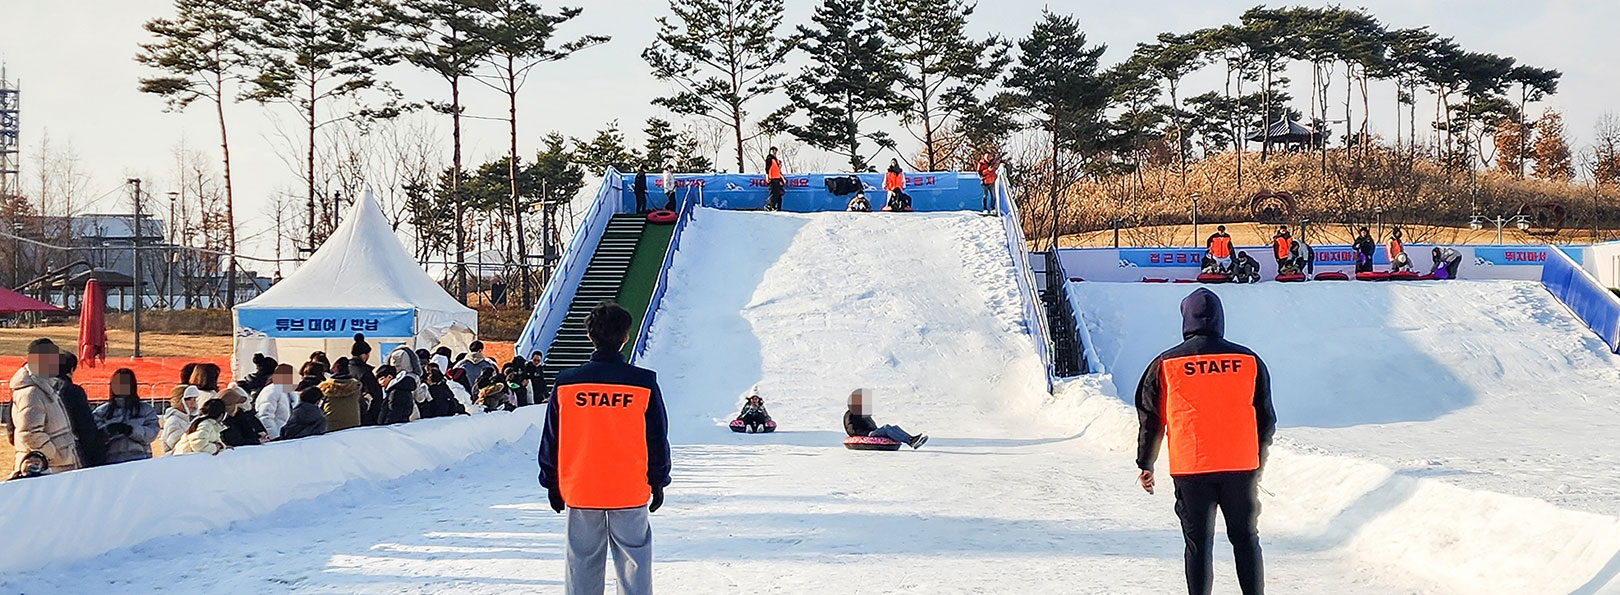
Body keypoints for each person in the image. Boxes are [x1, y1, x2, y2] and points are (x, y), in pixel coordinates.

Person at [1134, 288, 1276, 595]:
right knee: (1246, 538)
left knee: (1198, 543)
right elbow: (1265, 419)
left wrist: (1146, 463)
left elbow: (1151, 417)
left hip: (1191, 466)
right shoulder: (1249, 360)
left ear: (1186, 319)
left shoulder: (1165, 363)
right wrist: (1258, 462)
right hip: (1240, 465)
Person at [539, 301, 671, 595]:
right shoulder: (643, 382)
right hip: (629, 486)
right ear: (625, 337)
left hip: (581, 486)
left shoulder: (567, 383)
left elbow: (552, 438)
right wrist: (659, 480)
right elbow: (657, 438)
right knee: (634, 558)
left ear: (590, 336)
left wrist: (551, 482)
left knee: (582, 561)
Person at [9, 339, 81, 473]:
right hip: (46, 470)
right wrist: (55, 455)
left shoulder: (46, 386)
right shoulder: (32, 392)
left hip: (56, 468)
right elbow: (30, 434)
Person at [94, 368, 160, 464]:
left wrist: (131, 430)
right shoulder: (101, 412)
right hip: (111, 462)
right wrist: (107, 431)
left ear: (132, 386)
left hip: (139, 461)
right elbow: (94, 438)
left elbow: (151, 433)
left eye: (125, 383)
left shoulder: (146, 410)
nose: (120, 386)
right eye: (117, 383)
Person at [56, 352, 107, 467]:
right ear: (72, 369)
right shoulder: (73, 392)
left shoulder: (33, 388)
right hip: (70, 451)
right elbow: (85, 427)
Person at [843, 388, 927, 449]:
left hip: (872, 432)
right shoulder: (850, 414)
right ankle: (910, 442)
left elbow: (872, 425)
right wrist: (869, 433)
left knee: (894, 427)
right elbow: (851, 430)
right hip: (866, 434)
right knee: (886, 428)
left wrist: (876, 431)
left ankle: (911, 439)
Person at [348, 334, 384, 426]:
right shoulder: (365, 372)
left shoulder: (347, 368)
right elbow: (375, 394)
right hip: (366, 415)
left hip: (350, 411)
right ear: (363, 355)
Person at [320, 360, 365, 432]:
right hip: (353, 424)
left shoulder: (325, 387)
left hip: (331, 424)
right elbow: (362, 405)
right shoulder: (357, 386)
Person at [256, 364, 296, 438]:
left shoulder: (289, 392)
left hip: (286, 435)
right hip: (277, 436)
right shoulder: (271, 391)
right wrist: (274, 436)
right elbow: (265, 415)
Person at [161, 386, 200, 454]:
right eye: (188, 399)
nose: (192, 403)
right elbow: (178, 446)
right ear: (180, 400)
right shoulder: (173, 421)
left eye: (194, 399)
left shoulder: (189, 420)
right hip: (176, 461)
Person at [764, 147, 785, 211]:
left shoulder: (776, 160)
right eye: (773, 151)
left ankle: (775, 206)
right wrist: (767, 176)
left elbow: (778, 170)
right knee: (773, 193)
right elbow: (767, 168)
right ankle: (769, 205)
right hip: (772, 178)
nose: (774, 152)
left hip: (777, 178)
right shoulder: (769, 158)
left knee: (778, 193)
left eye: (775, 151)